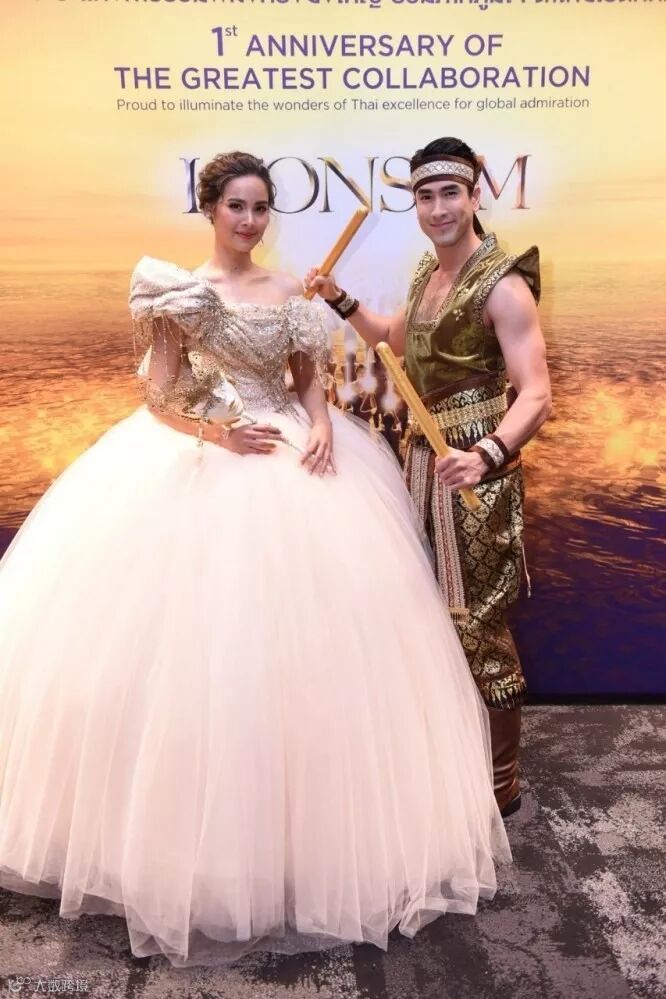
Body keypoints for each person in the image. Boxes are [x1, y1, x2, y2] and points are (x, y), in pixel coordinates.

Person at [0, 151, 510, 967]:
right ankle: (178, 848)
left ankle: (307, 842)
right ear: (210, 209)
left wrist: (321, 425)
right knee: (189, 656)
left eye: (260, 206)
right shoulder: (177, 291)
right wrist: (216, 433)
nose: (249, 220)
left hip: (292, 452)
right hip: (206, 455)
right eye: (236, 205)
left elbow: (308, 378)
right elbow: (159, 395)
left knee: (318, 651)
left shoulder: (287, 293)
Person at [306, 137, 552, 819]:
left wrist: (488, 454)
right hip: (420, 462)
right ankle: (449, 757)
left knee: (476, 620)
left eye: (451, 193)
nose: (438, 208)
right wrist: (339, 299)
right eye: (425, 195)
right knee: (428, 613)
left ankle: (501, 785)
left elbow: (537, 394)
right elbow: (395, 338)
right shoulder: (428, 273)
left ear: (474, 197)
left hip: (476, 474)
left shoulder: (503, 282)